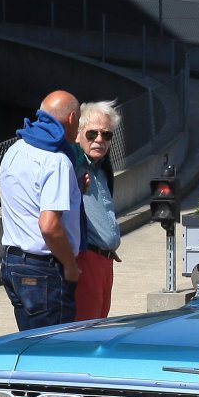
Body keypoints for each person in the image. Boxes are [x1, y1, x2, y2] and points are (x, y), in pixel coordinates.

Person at [0, 90, 82, 331]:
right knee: (54, 346)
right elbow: (49, 225)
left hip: (12, 262)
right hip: (44, 268)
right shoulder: (56, 160)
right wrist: (70, 266)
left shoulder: (15, 149)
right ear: (71, 118)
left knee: (30, 344)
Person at [72, 100, 123, 320]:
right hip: (85, 260)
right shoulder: (73, 165)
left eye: (106, 134)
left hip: (105, 261)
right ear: (78, 134)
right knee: (86, 328)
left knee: (100, 324)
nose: (100, 140)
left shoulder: (102, 169)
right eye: (92, 133)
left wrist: (109, 241)